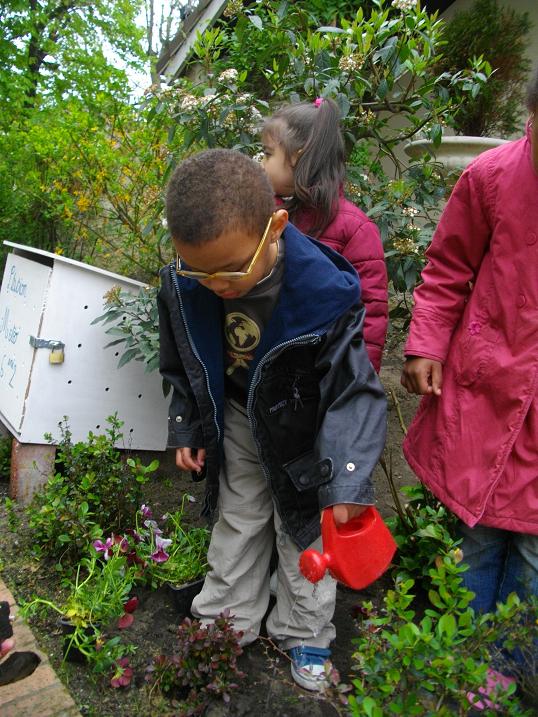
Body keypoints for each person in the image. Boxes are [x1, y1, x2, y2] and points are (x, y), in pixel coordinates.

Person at [158, 148, 386, 691]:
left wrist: (349, 479)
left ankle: (305, 630)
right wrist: (187, 422)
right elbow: (181, 357)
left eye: (230, 271)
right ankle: (225, 621)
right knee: (240, 514)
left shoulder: (326, 296)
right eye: (200, 272)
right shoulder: (189, 279)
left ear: (276, 227)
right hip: (240, 415)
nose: (216, 284)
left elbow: (354, 392)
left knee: (304, 528)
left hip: (309, 433)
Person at [400, 69, 538, 677]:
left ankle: (503, 681)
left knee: (534, 555)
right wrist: (425, 344)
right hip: (488, 386)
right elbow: (449, 266)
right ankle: (456, 673)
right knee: (477, 536)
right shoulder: (492, 176)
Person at [260, 97, 388, 372]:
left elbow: (370, 313)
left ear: (298, 155)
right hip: (270, 366)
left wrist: (359, 383)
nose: (262, 163)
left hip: (323, 369)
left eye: (268, 154)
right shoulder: (267, 215)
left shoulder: (355, 228)